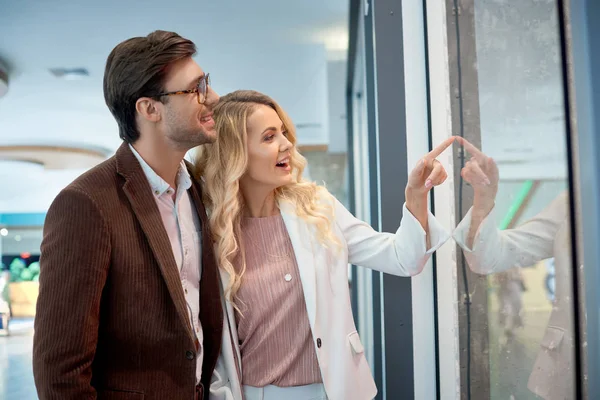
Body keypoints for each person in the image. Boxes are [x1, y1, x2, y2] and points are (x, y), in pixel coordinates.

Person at [195, 90, 454, 400]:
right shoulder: (211, 232)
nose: (287, 144)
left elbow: (404, 258)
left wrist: (415, 195)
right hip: (255, 394)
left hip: (336, 389)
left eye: (283, 133)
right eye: (268, 137)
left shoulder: (316, 206)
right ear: (235, 153)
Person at [33, 30, 222, 400]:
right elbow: (59, 372)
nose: (212, 97)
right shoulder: (86, 203)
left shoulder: (196, 191)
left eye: (207, 84)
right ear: (149, 108)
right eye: (195, 89)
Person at [452, 136, 575, 400]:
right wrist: (484, 200)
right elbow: (488, 258)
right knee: (512, 309)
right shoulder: (573, 204)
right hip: (573, 370)